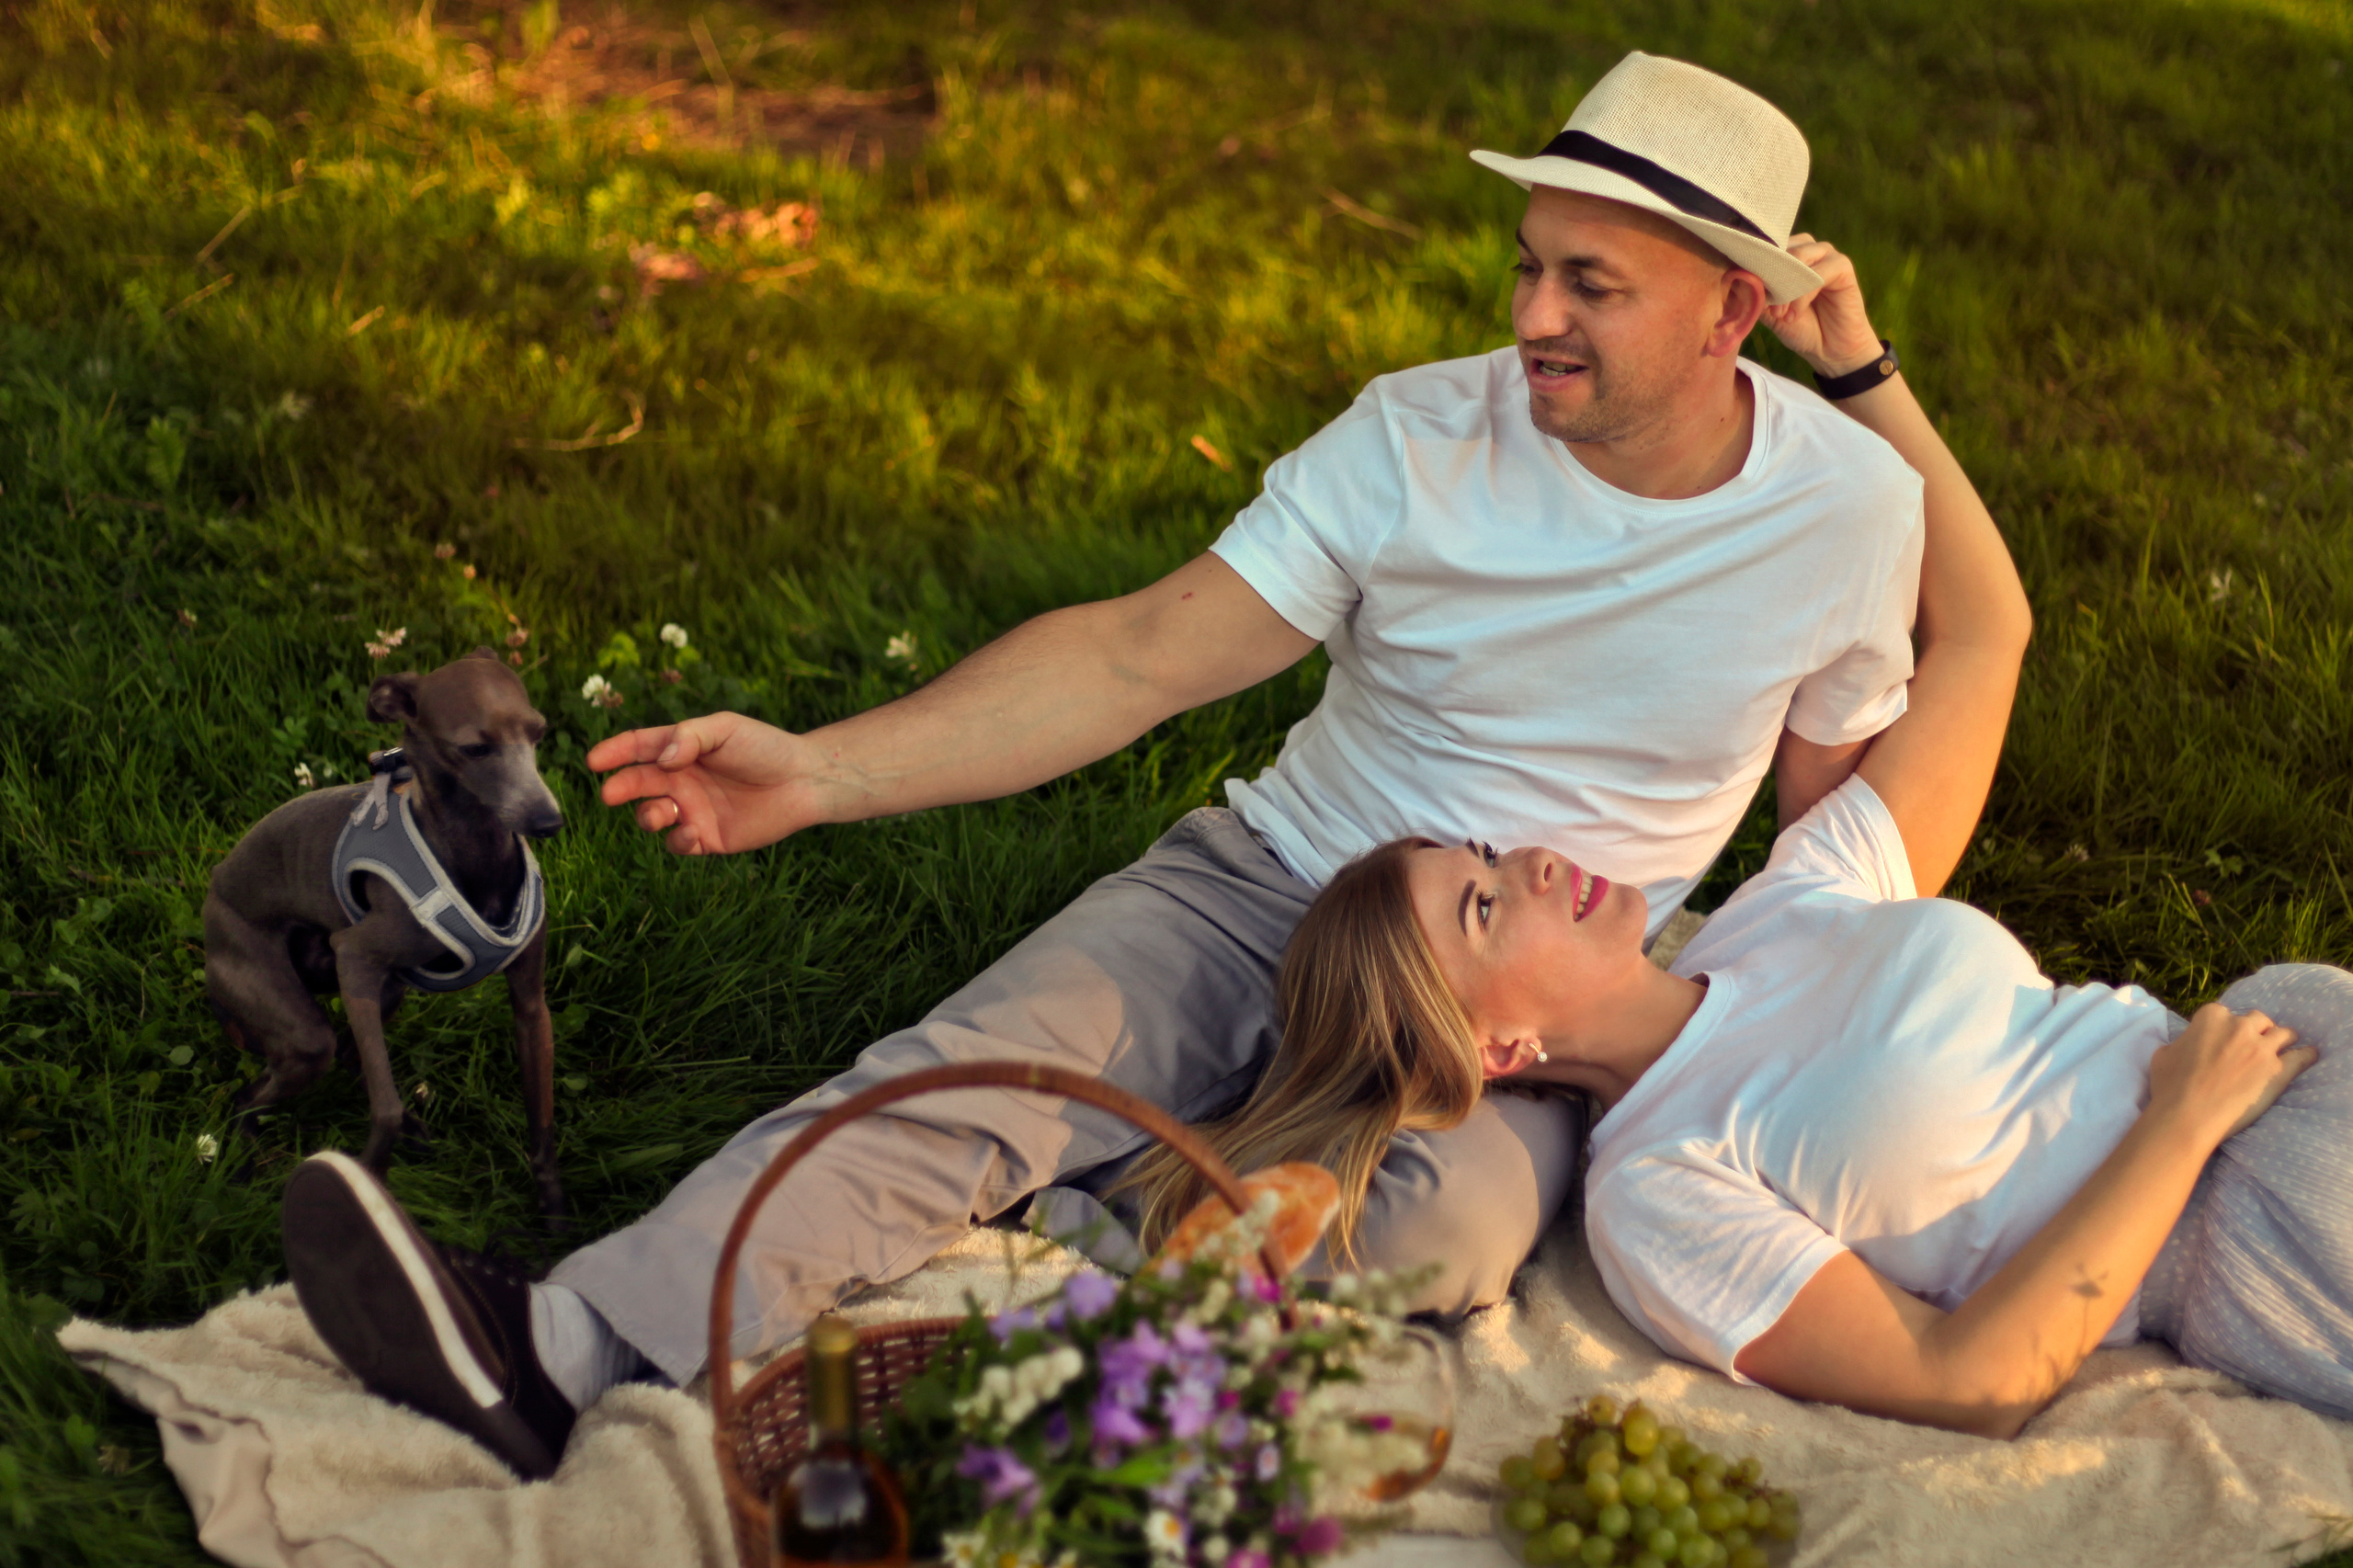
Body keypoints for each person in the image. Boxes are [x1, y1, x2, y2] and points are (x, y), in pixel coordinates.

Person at [280, 52, 1941, 1479]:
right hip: (1279, 884)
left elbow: (1829, 827)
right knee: (977, 1072)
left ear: (1734, 307)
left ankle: (1012, 1287)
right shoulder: (1417, 434)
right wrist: (830, 772)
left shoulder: (1851, 515)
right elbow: (1143, 651)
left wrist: (1821, 1072)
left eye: (1592, 285)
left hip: (1531, 1001)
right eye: (1527, 266)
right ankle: (556, 1342)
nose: (1530, 317)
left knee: (1442, 1234)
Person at [1249, 266, 2351, 1435]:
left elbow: (1983, 634)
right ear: (1498, 1046)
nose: (1522, 859)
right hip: (2263, 1232)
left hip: (2294, 1035)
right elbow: (1964, 1379)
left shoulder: (1786, 905)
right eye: (1480, 906)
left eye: (1484, 850)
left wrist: (1858, 369)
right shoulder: (1657, 1194)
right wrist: (2179, 1124)